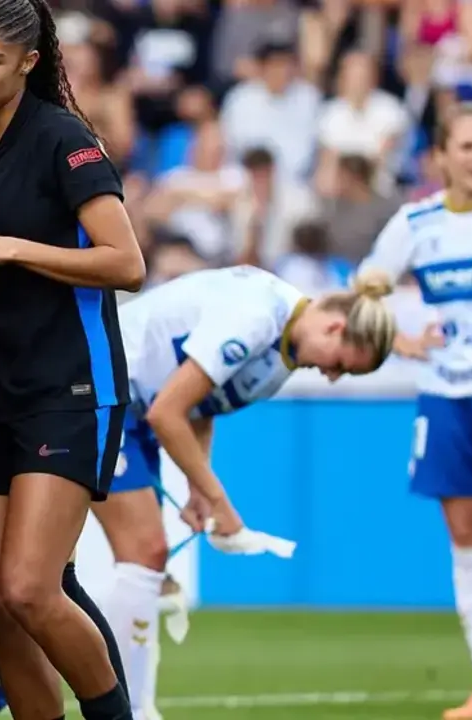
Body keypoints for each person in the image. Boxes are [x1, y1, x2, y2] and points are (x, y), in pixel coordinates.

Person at [0, 0, 147, 716]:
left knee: (32, 585)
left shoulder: (64, 140)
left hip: (69, 387)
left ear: (29, 63)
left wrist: (7, 249)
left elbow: (128, 263)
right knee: (0, 600)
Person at [96, 264, 397, 720]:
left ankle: (123, 703)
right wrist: (219, 502)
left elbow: (201, 403)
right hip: (101, 393)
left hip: (128, 406)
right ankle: (128, 709)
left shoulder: (286, 347)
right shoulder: (256, 315)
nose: (330, 376)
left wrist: (200, 487)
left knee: (142, 560)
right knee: (142, 554)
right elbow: (168, 412)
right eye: (338, 365)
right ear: (335, 326)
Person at [356, 101, 472, 720]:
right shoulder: (418, 222)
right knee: (466, 537)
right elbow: (367, 285)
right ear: (441, 156)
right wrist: (397, 338)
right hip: (448, 393)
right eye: (467, 146)